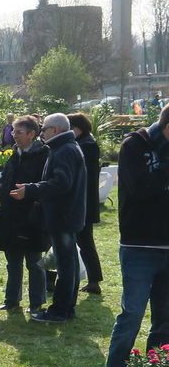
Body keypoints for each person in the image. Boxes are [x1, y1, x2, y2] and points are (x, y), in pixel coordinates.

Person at [104, 104, 169, 367]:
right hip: (139, 246)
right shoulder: (134, 144)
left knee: (165, 322)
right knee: (131, 315)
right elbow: (139, 188)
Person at [10, 113, 86, 324]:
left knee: (65, 265)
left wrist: (31, 189)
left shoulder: (63, 150)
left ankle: (60, 310)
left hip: (63, 216)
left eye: (44, 129)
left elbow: (61, 183)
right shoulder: (66, 147)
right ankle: (66, 308)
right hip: (67, 215)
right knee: (67, 263)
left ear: (56, 130)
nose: (41, 133)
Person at [0, 116, 49, 312]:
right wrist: (1, 190)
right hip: (11, 216)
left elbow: (46, 185)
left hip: (31, 217)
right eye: (13, 131)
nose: (14, 135)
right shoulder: (14, 154)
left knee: (34, 262)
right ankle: (12, 300)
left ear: (32, 134)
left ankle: (36, 303)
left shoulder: (43, 155)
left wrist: (31, 197)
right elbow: (5, 177)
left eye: (18, 132)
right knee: (13, 261)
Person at [69, 112, 104, 296]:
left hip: (84, 202)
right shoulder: (85, 143)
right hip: (83, 201)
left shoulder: (87, 146)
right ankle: (93, 279)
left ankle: (94, 280)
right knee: (84, 242)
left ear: (78, 128)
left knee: (85, 242)